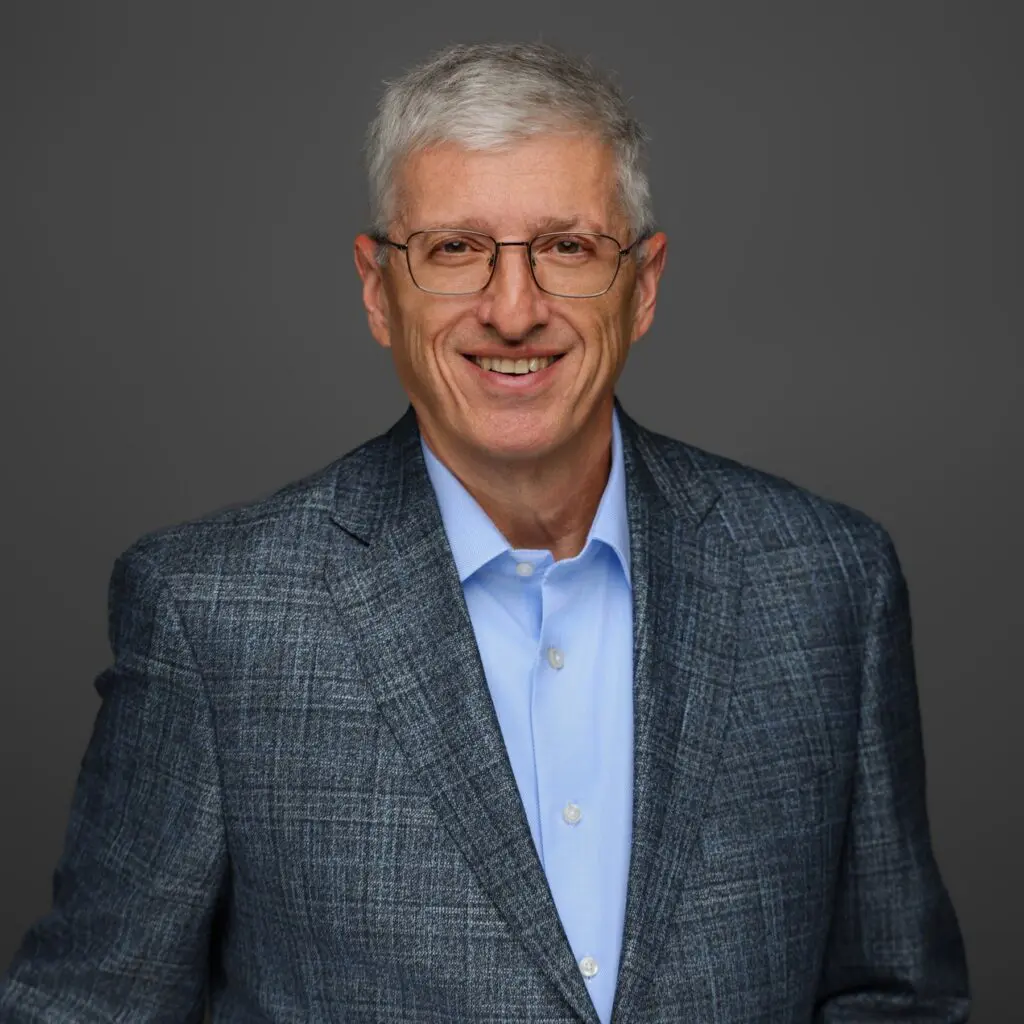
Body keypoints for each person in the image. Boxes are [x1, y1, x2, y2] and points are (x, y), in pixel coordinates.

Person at [0, 41, 969, 1023]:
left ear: (644, 282)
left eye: (567, 248)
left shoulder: (825, 582)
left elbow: (890, 994)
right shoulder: (213, 617)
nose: (515, 311)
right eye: (455, 250)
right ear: (380, 289)